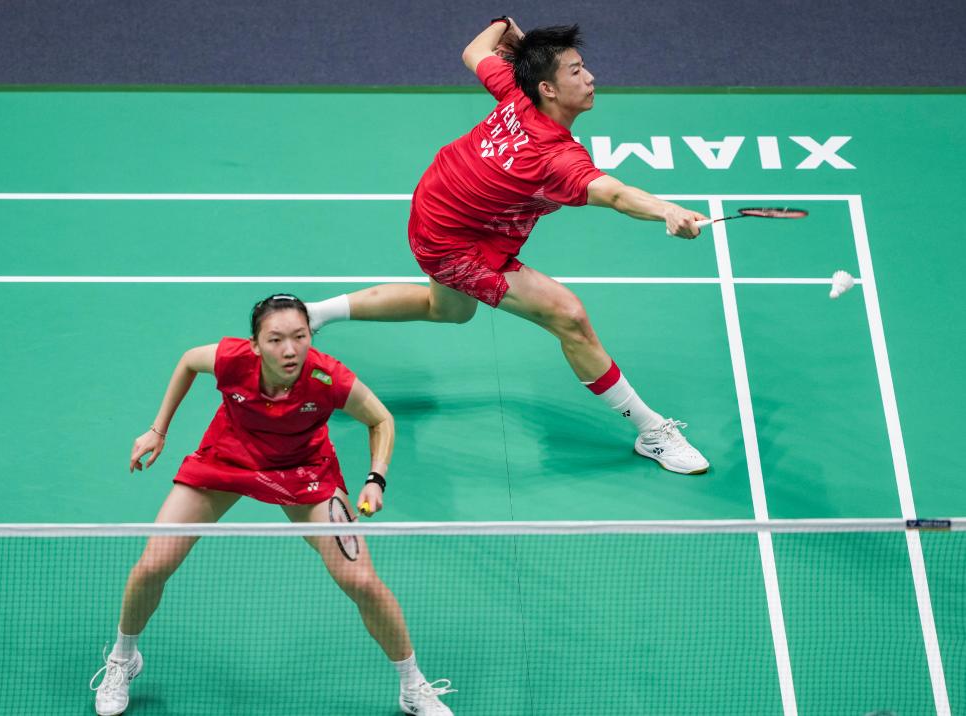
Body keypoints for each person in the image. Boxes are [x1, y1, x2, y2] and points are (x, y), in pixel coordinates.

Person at [307, 19, 709, 475]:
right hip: (454, 244)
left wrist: (504, 27)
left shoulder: (518, 92)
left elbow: (473, 51)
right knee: (569, 317)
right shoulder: (556, 158)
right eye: (576, 71)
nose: (590, 77)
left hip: (435, 208)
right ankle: (652, 433)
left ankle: (316, 313)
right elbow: (614, 195)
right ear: (548, 89)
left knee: (448, 310)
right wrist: (666, 210)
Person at [90, 294, 455, 715]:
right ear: (256, 344)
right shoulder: (233, 360)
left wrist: (376, 479)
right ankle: (123, 659)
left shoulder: (327, 377)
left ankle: (413, 686)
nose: (290, 350)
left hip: (304, 472)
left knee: (362, 582)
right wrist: (158, 430)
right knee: (153, 565)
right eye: (276, 339)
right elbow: (189, 360)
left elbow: (381, 419)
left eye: (300, 336)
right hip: (228, 460)